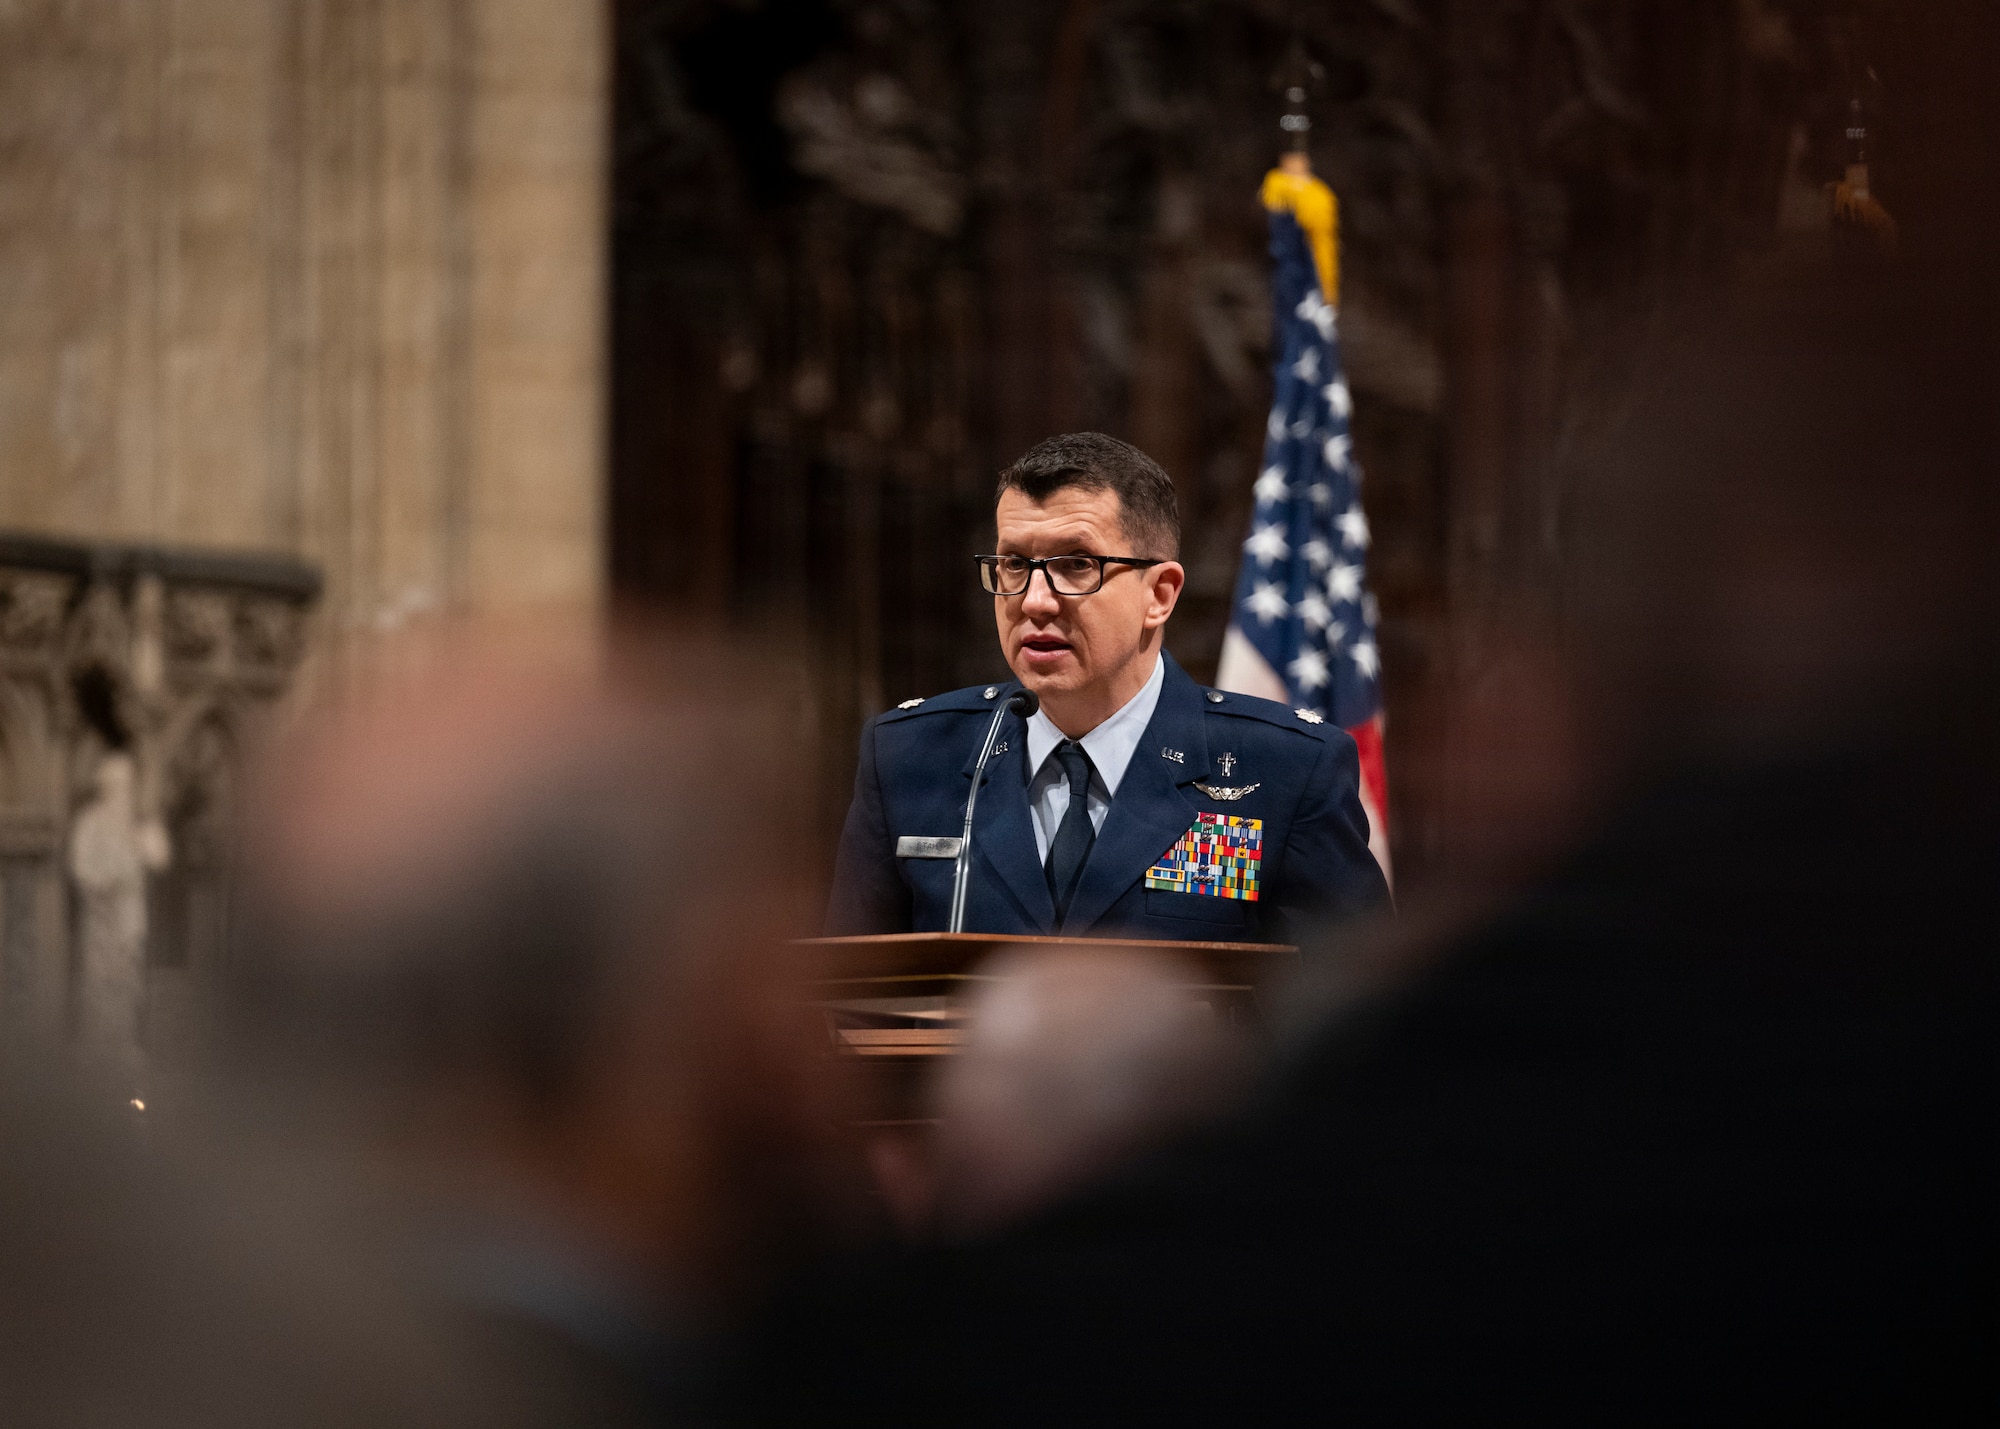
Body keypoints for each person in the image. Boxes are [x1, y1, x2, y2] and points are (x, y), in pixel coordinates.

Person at [826, 432, 1387, 943]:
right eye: (1014, 564)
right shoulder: (911, 756)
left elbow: (1355, 1014)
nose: (1034, 601)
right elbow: (850, 996)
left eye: (1076, 564)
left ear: (1160, 594)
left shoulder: (1286, 769)